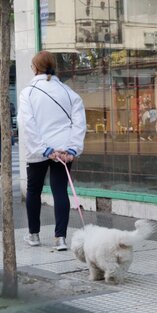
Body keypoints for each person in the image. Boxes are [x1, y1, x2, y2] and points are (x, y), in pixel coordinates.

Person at [18, 51, 86, 251]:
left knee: (33, 191)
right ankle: (61, 238)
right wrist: (73, 148)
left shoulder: (27, 92)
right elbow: (79, 123)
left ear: (35, 68)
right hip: (64, 150)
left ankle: (34, 235)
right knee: (60, 191)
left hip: (38, 150)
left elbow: (27, 124)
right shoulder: (68, 92)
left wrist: (44, 149)